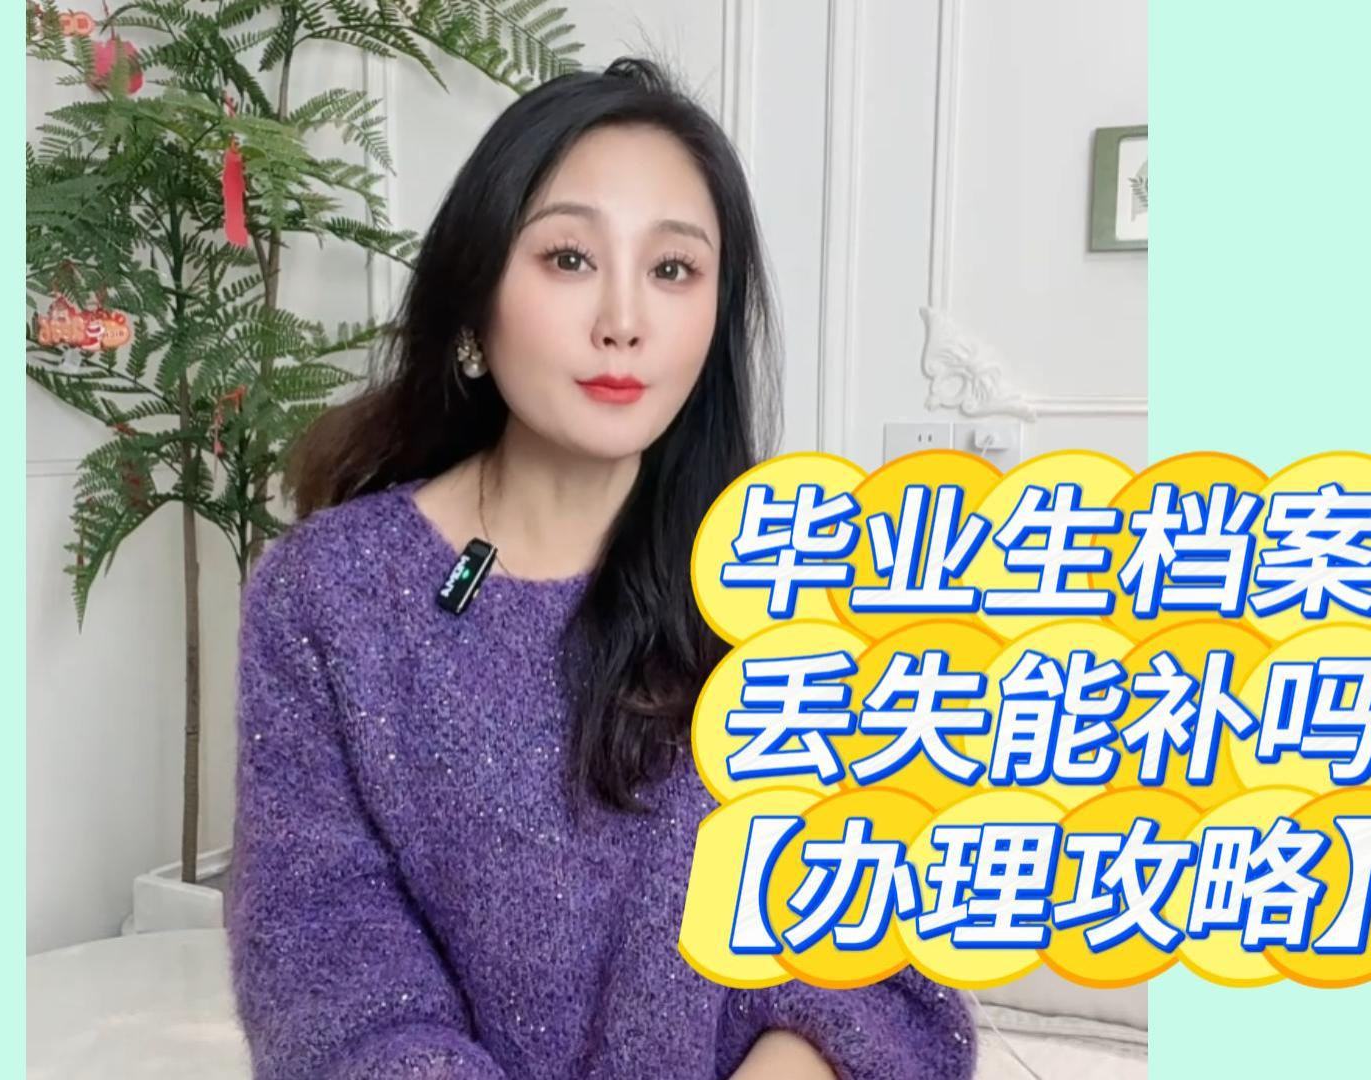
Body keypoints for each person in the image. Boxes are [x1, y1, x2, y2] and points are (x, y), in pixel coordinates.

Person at [226, 56, 978, 1079]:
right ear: (474, 300)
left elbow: (876, 958)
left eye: (673, 270)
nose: (624, 319)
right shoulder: (327, 595)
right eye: (570, 257)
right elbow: (325, 953)